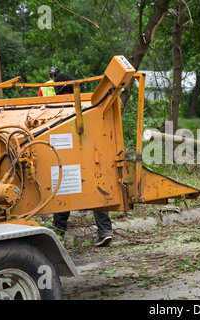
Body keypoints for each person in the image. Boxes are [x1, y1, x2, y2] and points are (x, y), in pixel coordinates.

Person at [52, 73, 114, 247]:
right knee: (97, 192)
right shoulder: (88, 103)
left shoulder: (55, 106)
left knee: (63, 191)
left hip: (65, 157)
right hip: (90, 156)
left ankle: (58, 232)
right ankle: (105, 231)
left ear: (58, 88)